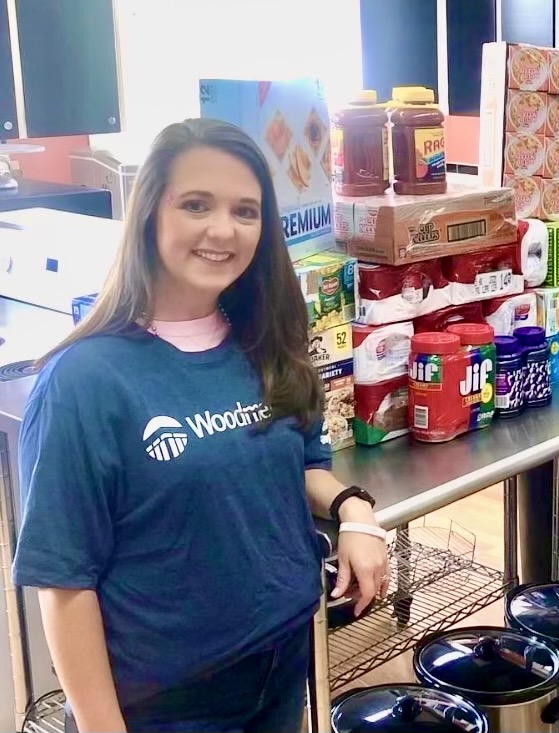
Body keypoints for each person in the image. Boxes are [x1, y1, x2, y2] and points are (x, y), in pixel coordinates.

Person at [13, 119, 389, 733]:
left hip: (281, 660)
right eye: (195, 205)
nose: (223, 230)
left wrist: (356, 513)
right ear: (150, 214)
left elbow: (303, 462)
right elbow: (63, 582)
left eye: (246, 210)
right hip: (170, 700)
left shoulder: (264, 343)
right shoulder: (83, 380)